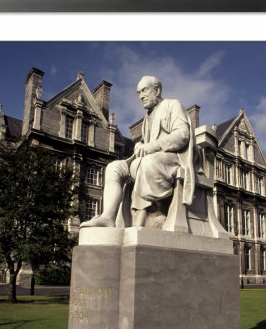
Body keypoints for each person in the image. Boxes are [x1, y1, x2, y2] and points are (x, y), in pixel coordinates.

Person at [80, 75, 195, 228]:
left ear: (157, 90)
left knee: (148, 163)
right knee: (114, 168)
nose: (141, 96)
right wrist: (140, 145)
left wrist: (152, 146)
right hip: (151, 158)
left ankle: (155, 213)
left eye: (144, 90)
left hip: (173, 157)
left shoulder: (172, 105)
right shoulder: (147, 118)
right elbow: (147, 143)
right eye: (138, 93)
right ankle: (108, 218)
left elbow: (182, 135)